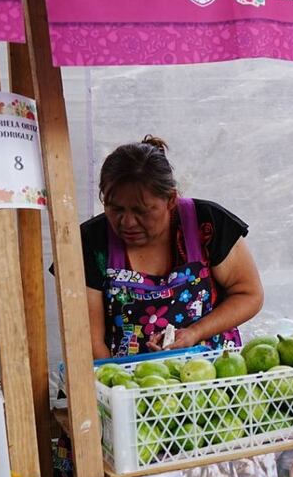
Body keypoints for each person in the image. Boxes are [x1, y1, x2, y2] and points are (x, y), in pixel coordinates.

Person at [81, 136, 264, 358]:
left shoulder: (207, 224)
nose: (127, 222)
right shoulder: (92, 242)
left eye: (141, 211)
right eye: (115, 209)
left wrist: (195, 332)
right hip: (127, 380)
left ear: (170, 200)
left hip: (212, 373)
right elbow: (90, 339)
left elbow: (248, 294)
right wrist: (118, 385)